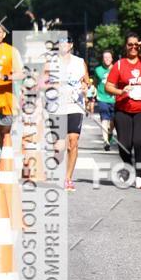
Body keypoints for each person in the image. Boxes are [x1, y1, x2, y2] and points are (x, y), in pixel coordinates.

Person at [105, 33, 141, 189]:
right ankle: (128, 166)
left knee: (139, 141)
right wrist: (121, 91)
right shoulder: (119, 65)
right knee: (124, 145)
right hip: (123, 110)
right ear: (125, 46)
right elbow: (108, 87)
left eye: (136, 45)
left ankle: (139, 175)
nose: (133, 47)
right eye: (130, 44)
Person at [49, 36, 90, 191]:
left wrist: (86, 87)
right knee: (59, 146)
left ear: (71, 45)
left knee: (73, 140)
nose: (63, 45)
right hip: (56, 106)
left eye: (66, 42)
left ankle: (68, 178)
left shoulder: (79, 62)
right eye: (60, 42)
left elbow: (86, 81)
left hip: (75, 105)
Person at [0, 22, 23, 152]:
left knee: (4, 132)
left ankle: (2, 159)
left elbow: (21, 74)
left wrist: (6, 77)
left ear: (4, 34)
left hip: (6, 99)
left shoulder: (11, 51)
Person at [94, 50, 116, 151]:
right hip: (102, 97)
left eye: (109, 57)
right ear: (102, 59)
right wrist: (94, 92)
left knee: (112, 122)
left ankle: (110, 133)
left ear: (112, 59)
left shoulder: (116, 68)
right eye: (105, 57)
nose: (107, 59)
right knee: (104, 119)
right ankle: (106, 141)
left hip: (115, 99)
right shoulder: (98, 70)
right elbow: (95, 82)